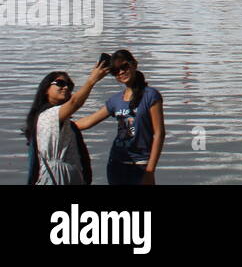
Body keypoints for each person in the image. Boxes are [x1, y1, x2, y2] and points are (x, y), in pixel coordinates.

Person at [76, 50, 165, 186]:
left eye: (124, 67)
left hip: (141, 164)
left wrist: (150, 171)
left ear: (134, 64)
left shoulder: (150, 95)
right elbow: (88, 122)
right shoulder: (115, 100)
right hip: (116, 164)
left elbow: (159, 134)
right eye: (115, 71)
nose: (121, 72)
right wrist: (58, 124)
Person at [26, 61, 108, 185]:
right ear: (46, 89)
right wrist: (92, 80)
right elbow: (75, 103)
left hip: (69, 176)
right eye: (60, 83)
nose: (66, 87)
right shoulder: (48, 115)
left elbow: (84, 123)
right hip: (56, 177)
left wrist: (114, 106)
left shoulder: (65, 122)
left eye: (69, 85)